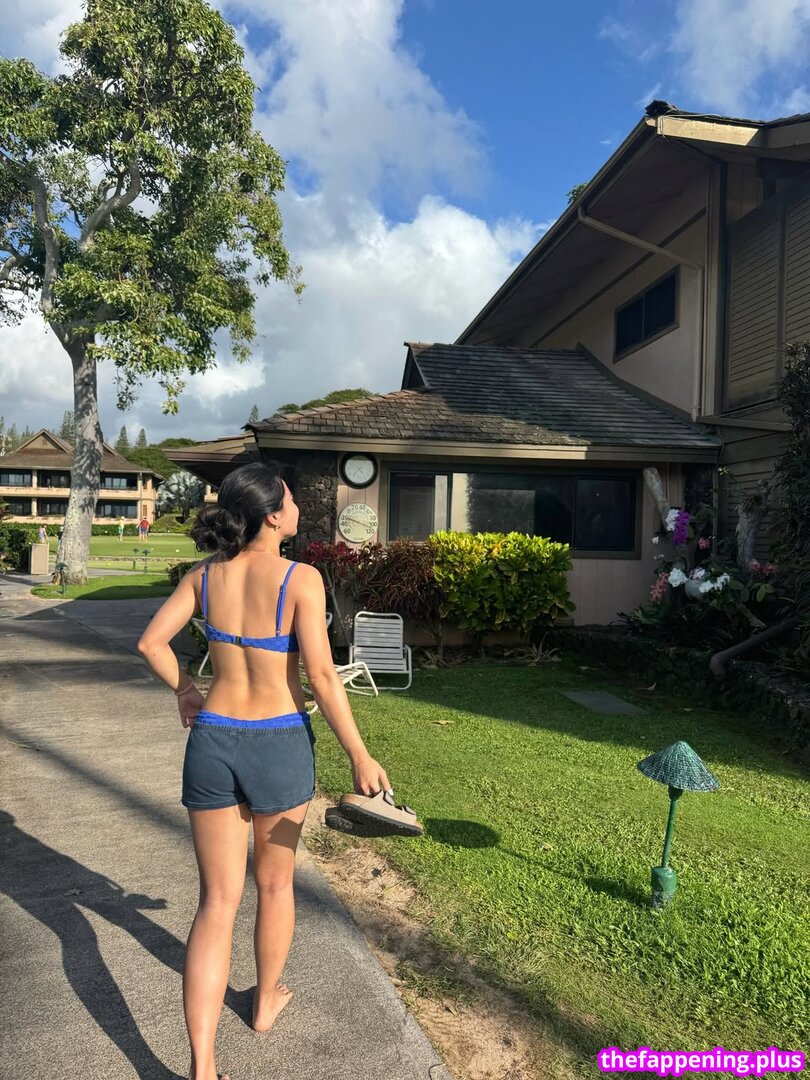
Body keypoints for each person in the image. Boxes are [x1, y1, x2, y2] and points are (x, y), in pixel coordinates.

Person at [137, 462, 391, 1080]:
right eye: (290, 499)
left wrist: (186, 691)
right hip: (278, 742)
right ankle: (264, 1003)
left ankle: (202, 1067)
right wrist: (360, 755)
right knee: (275, 886)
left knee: (216, 903)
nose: (297, 507)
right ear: (274, 516)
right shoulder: (300, 579)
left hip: (214, 741)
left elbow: (150, 643)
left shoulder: (204, 576)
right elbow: (323, 677)